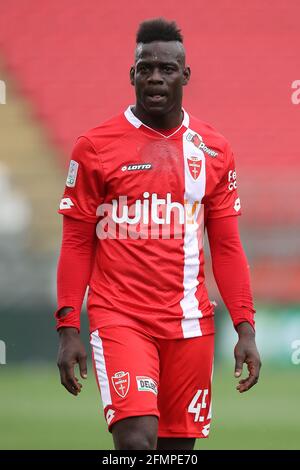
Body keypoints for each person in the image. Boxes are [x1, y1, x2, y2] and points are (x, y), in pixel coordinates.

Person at [55, 18, 261, 451]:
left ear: (184, 76)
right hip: (120, 317)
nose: (154, 77)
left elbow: (225, 245)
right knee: (136, 441)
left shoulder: (214, 150)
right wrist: (68, 326)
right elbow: (76, 241)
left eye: (166, 68)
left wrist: (245, 327)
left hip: (190, 324)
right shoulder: (94, 147)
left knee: (175, 452)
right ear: (131, 74)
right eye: (145, 67)